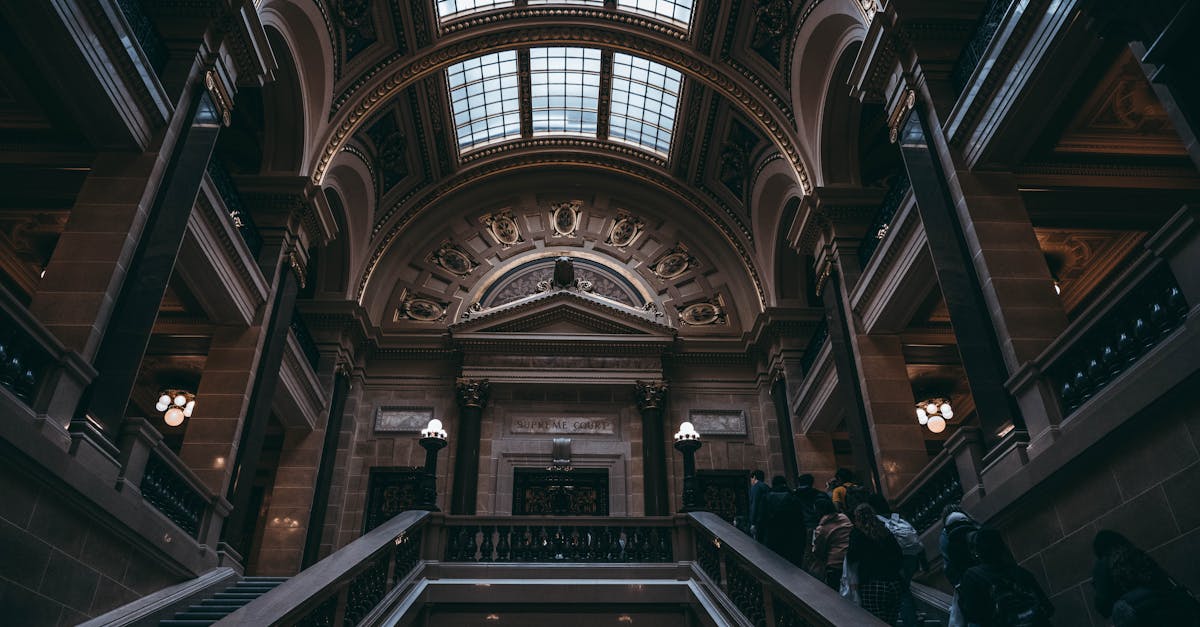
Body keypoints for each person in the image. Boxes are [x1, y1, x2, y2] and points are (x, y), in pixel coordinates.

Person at [1092, 529, 1200, 626]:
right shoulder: (1136, 553)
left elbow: (1103, 608)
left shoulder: (1103, 565)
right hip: (1167, 611)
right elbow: (1166, 581)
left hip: (1140, 618)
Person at [958, 528, 1053, 627]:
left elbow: (974, 617)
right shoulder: (1021, 572)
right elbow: (1048, 608)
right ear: (1002, 548)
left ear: (977, 551)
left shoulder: (972, 576)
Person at [869, 494, 924, 627]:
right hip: (913, 556)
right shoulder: (897, 517)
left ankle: (911, 622)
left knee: (903, 592)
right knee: (905, 588)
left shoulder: (877, 521)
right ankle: (914, 615)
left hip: (899, 557)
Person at [847, 503, 904, 624]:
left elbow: (851, 558)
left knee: (876, 622)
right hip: (893, 583)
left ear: (857, 518)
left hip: (872, 585)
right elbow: (899, 555)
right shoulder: (884, 531)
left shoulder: (857, 534)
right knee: (891, 622)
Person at [940, 505, 980, 627]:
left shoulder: (945, 533)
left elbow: (948, 563)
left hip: (965, 579)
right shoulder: (974, 524)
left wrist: (957, 584)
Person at [811, 497, 853, 589]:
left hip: (835, 564)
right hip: (851, 559)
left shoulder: (821, 529)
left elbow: (819, 552)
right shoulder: (844, 518)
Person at [763, 475, 805, 567]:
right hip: (793, 537)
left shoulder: (767, 498)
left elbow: (762, 520)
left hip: (773, 536)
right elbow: (800, 520)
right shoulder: (793, 497)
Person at [794, 473, 832, 571]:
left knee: (805, 553)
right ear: (812, 483)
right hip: (819, 525)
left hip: (802, 527)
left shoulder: (793, 495)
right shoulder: (820, 494)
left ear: (799, 482)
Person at [748, 469, 769, 541]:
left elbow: (755, 504)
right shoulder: (766, 487)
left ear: (754, 477)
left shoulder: (755, 487)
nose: (751, 481)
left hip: (758, 520)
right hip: (767, 518)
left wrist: (753, 522)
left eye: (751, 479)